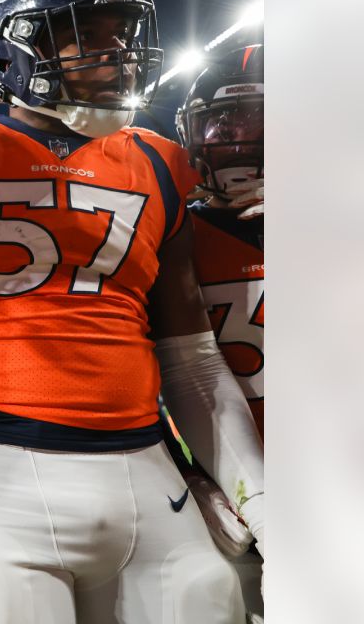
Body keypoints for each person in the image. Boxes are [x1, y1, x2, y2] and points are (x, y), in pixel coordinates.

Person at [0, 0, 264, 622]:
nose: (116, 53)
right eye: (86, 36)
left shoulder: (158, 160)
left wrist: (256, 494)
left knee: (211, 599)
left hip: (146, 465)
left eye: (122, 34)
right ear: (16, 48)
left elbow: (191, 358)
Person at [176, 43, 266, 619]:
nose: (235, 138)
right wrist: (187, 476)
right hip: (235, 496)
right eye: (219, 123)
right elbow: (130, 384)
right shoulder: (173, 237)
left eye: (255, 120)